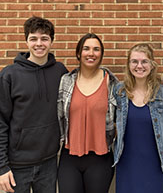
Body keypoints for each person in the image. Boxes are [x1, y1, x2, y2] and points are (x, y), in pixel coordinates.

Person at [0, 16, 68, 193]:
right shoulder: (9, 75)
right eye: (34, 38)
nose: (39, 43)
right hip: (16, 165)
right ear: (26, 41)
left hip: (49, 161)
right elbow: (1, 122)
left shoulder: (60, 72)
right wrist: (2, 167)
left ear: (51, 41)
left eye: (44, 38)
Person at [57, 33, 119, 193]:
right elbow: (58, 116)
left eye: (96, 49)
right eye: (86, 49)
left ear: (101, 54)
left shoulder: (112, 83)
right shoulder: (66, 80)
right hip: (69, 156)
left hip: (100, 158)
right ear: (78, 53)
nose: (91, 53)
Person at [113, 43, 163, 193]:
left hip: (156, 164)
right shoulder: (119, 91)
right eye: (134, 61)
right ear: (128, 64)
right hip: (127, 163)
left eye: (144, 61)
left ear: (152, 65)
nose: (139, 66)